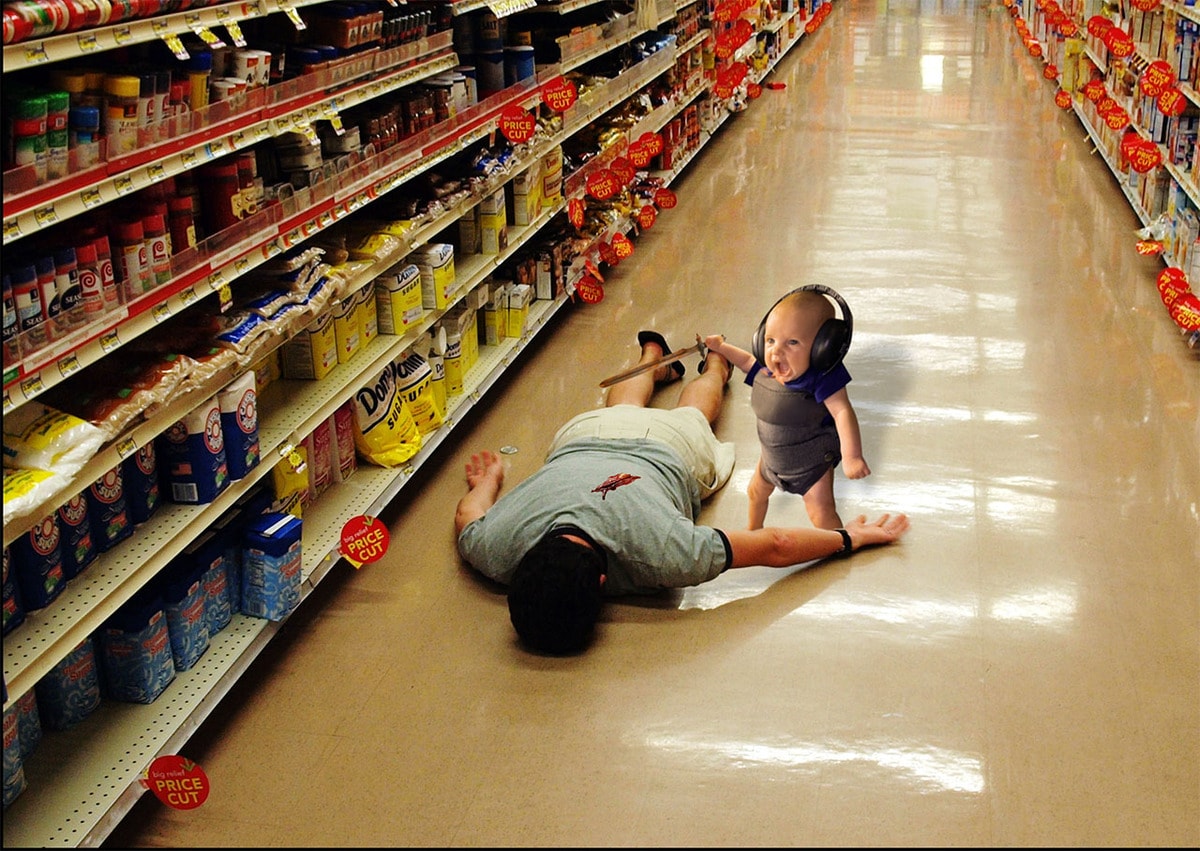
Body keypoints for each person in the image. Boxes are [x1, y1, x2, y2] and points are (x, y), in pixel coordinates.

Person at [454, 330, 909, 655]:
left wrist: (850, 538)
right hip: (583, 436)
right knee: (626, 405)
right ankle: (663, 354)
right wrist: (488, 482)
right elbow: (467, 517)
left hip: (667, 450)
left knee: (693, 412)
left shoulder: (665, 556)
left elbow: (776, 543)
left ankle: (712, 367)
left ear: (601, 584)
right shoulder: (495, 549)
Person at [704, 286, 869, 531]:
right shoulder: (768, 372)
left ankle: (838, 542)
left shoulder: (821, 379)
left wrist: (852, 457)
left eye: (792, 342)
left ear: (822, 347)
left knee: (820, 513)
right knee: (755, 493)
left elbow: (842, 412)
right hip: (771, 462)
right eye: (769, 340)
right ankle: (753, 532)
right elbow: (747, 362)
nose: (776, 351)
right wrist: (722, 348)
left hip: (811, 466)